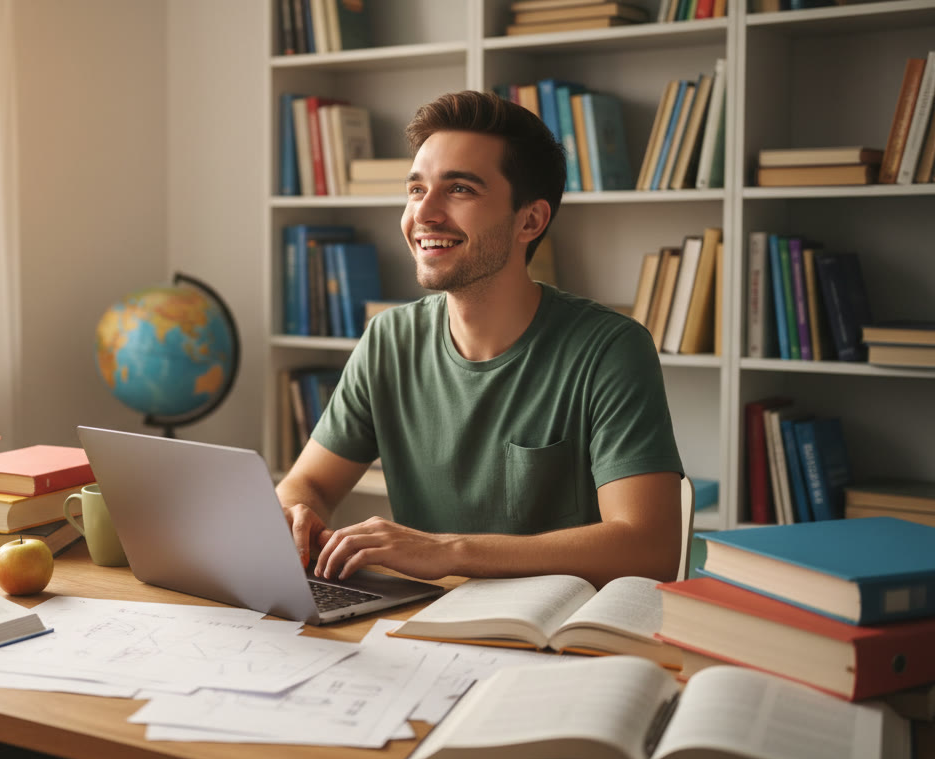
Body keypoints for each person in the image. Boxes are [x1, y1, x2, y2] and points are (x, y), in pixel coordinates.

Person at [276, 90, 684, 588]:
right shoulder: (388, 340)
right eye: (415, 189)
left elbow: (650, 547)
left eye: (460, 190)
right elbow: (310, 482)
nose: (423, 214)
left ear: (529, 221)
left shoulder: (611, 350)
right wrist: (296, 513)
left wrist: (448, 551)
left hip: (554, 639)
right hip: (420, 627)